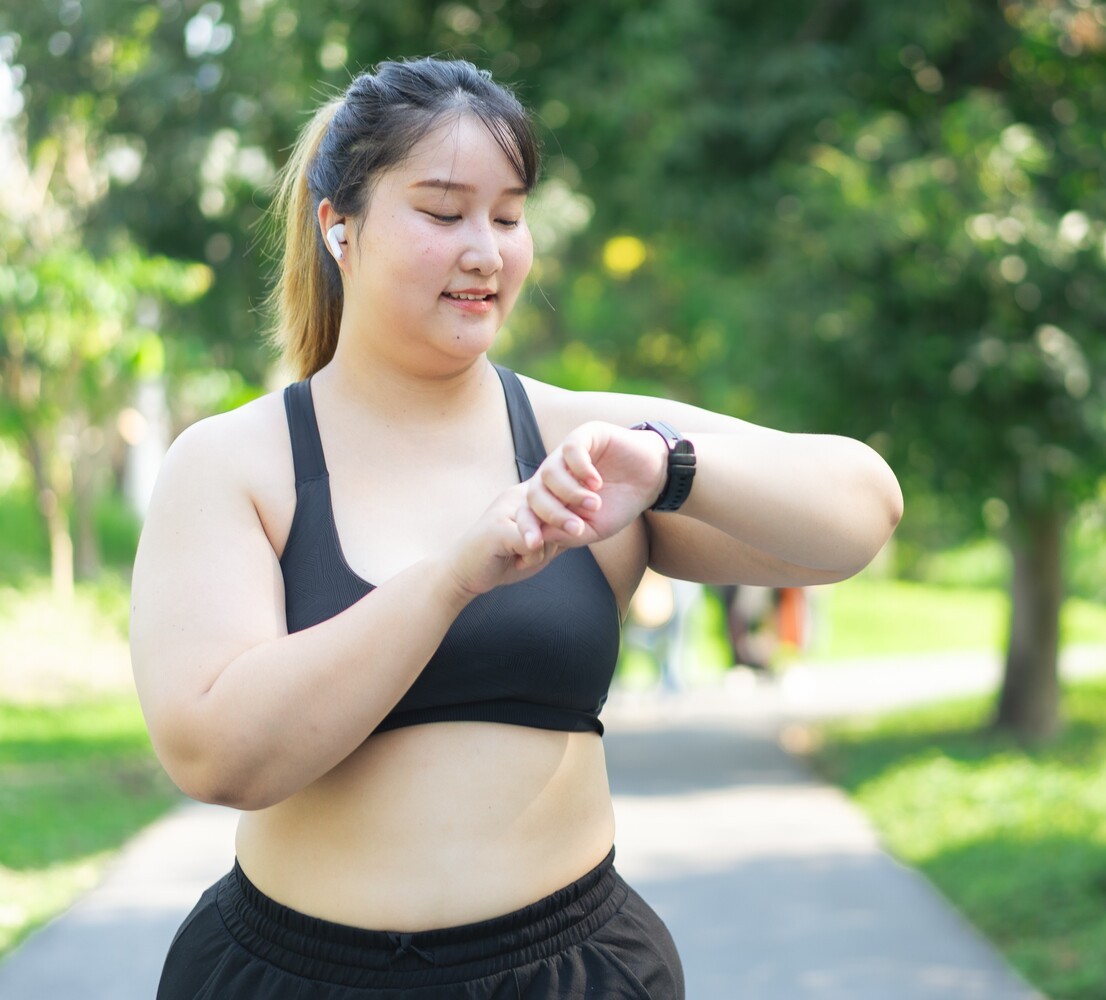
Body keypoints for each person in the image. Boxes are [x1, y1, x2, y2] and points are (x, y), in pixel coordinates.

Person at [130, 56, 903, 999]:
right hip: (290, 974)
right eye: (443, 212)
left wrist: (668, 468)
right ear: (339, 226)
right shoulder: (235, 463)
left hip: (568, 972)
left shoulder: (583, 444)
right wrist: (454, 576)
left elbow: (862, 510)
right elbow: (218, 755)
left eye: (507, 215)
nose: (486, 251)